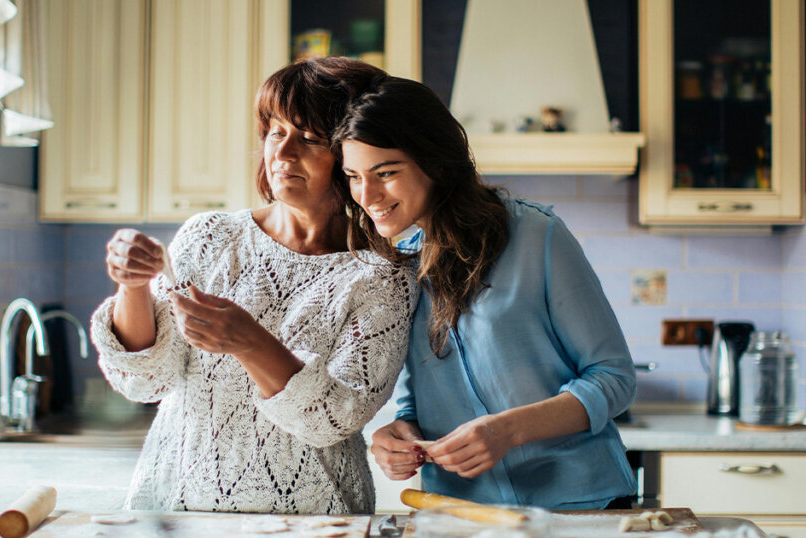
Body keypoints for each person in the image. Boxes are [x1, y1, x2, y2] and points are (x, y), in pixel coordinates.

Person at [90, 58, 417, 514]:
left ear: (351, 153)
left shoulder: (382, 274)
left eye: (308, 139)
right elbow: (146, 380)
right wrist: (133, 287)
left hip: (315, 518)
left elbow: (334, 418)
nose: (282, 155)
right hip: (177, 508)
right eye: (275, 132)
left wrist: (250, 343)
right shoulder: (210, 237)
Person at [332, 77, 637, 510]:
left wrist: (507, 431)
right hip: (462, 513)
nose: (367, 195)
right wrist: (398, 433)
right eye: (353, 177)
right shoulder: (395, 266)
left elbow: (614, 378)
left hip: (580, 505)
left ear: (434, 161)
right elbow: (414, 398)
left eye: (386, 173)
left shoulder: (537, 235)